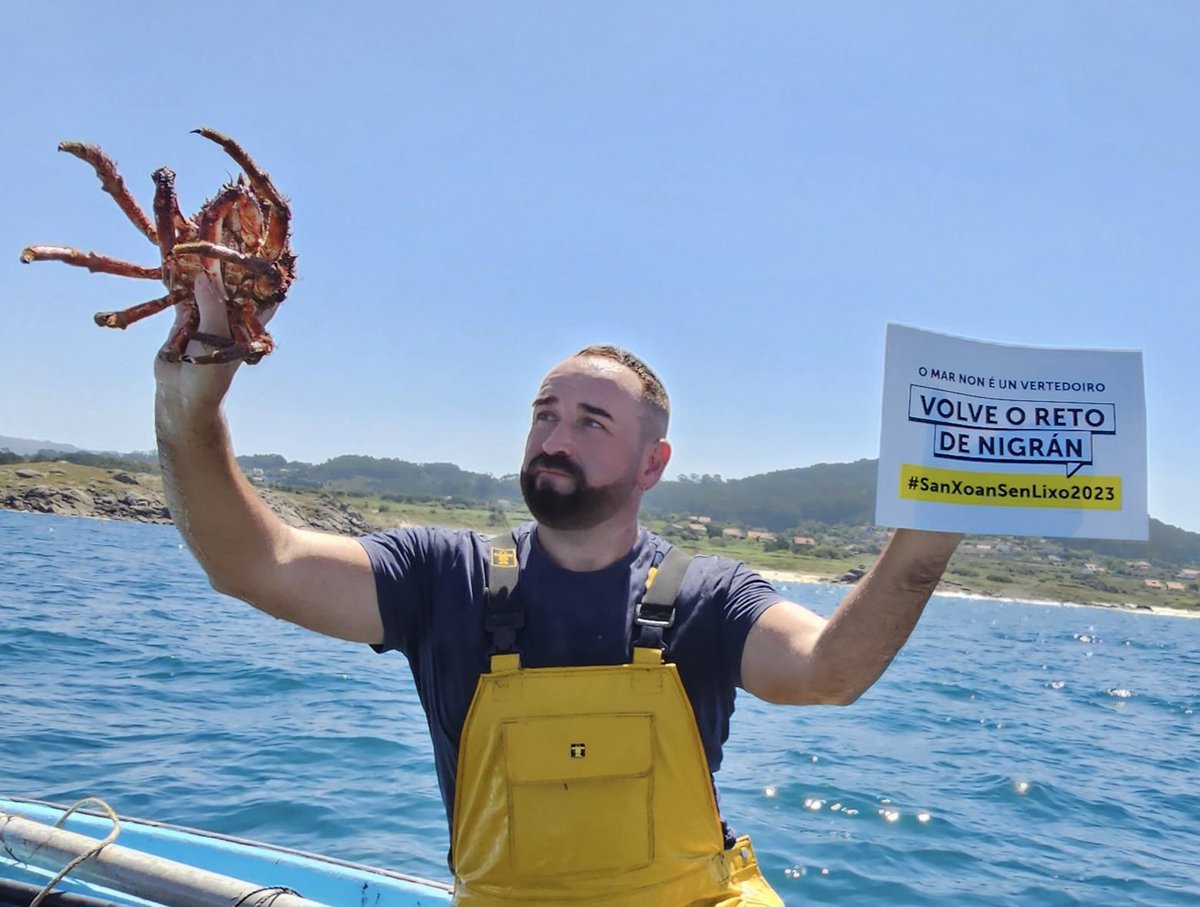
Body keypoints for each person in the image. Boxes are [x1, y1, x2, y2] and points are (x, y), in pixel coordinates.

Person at [156, 273, 961, 906]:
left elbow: (827, 670)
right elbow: (255, 563)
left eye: (590, 422)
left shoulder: (710, 595)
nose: (554, 436)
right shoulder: (444, 575)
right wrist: (190, 411)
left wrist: (929, 530)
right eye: (545, 413)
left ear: (653, 464)